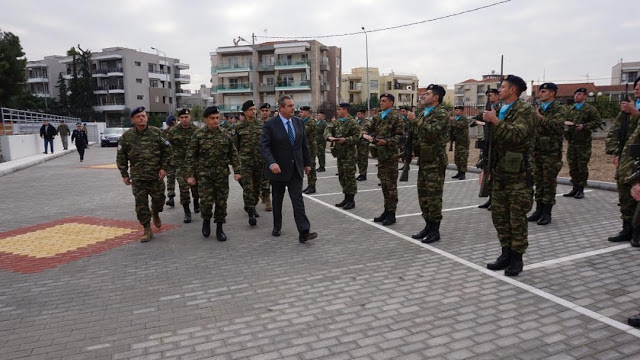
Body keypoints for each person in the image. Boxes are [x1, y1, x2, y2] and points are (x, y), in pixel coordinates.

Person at [483, 75, 536, 276]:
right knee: (500, 216)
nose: (499, 90)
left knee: (516, 218)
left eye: (503, 87)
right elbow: (489, 144)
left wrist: (496, 121)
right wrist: (484, 169)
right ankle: (505, 253)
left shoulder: (526, 111)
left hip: (518, 175)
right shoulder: (499, 110)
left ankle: (517, 258)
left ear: (513, 90)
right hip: (498, 173)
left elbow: (517, 135)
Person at [259, 95, 317, 243]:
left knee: (298, 201)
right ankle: (277, 226)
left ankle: (304, 231)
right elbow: (264, 146)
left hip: (295, 169)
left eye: (293, 105)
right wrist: (272, 163)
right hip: (277, 171)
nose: (293, 108)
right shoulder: (270, 124)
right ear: (281, 108)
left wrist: (307, 162)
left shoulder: (298, 122)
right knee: (277, 201)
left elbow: (304, 145)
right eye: (290, 106)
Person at [116, 106, 171, 242]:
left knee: (159, 201)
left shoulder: (156, 133)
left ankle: (156, 212)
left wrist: (164, 168)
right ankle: (147, 229)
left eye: (144, 116)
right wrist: (124, 174)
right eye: (138, 116)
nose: (142, 118)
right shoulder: (127, 137)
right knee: (141, 205)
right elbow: (121, 157)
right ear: (133, 120)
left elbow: (167, 151)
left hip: (156, 176)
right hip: (138, 177)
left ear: (147, 117)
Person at [186, 106, 241, 241]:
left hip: (221, 175)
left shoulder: (225, 134)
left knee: (221, 203)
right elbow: (190, 156)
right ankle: (206, 221)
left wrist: (237, 171)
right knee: (206, 202)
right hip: (204, 176)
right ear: (206, 119)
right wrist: (190, 175)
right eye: (212, 118)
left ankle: (220, 228)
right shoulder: (198, 135)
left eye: (217, 118)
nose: (215, 121)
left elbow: (233, 154)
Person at [407, 85, 450, 242]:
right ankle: (427, 225)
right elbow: (418, 136)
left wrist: (415, 120)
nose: (423, 96)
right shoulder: (424, 113)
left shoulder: (441, 113)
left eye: (427, 94)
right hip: (424, 160)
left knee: (434, 197)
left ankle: (435, 229)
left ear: (436, 97)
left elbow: (432, 131)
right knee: (423, 196)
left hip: (435, 161)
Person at [526, 82, 567, 226]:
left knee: (548, 183)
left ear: (552, 93)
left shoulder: (559, 108)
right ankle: (538, 210)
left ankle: (546, 213)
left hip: (551, 153)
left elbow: (557, 125)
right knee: (539, 182)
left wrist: (540, 118)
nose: (540, 94)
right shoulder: (538, 108)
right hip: (537, 152)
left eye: (544, 91)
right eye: (540, 91)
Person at [607, 76, 640, 243]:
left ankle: (637, 232)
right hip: (627, 160)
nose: (637, 89)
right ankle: (627, 229)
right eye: (636, 86)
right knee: (625, 197)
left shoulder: (633, 110)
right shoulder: (626, 111)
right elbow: (614, 132)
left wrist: (635, 113)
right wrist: (617, 152)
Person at [362, 94, 404, 225]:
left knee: (391, 186)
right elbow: (366, 126)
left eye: (384, 101)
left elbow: (400, 137)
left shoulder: (396, 118)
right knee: (384, 185)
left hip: (391, 156)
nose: (381, 103)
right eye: (380, 101)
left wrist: (386, 142)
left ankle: (392, 213)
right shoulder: (378, 116)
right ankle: (386, 211)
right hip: (381, 156)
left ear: (391, 103)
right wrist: (364, 133)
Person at [563, 88, 602, 199]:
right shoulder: (572, 109)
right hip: (572, 142)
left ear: (585, 96)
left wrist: (584, 126)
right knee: (573, 166)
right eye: (575, 94)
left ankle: (581, 189)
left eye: (579, 94)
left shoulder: (590, 109)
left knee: (582, 167)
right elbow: (565, 121)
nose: (576, 96)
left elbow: (597, 122)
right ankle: (574, 187)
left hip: (583, 143)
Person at [235, 100, 265, 226]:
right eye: (250, 110)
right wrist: (236, 166)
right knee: (248, 188)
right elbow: (235, 147)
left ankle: (252, 205)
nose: (253, 111)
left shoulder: (262, 125)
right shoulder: (238, 127)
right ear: (245, 112)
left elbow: (265, 144)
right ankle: (251, 212)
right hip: (245, 162)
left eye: (254, 109)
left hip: (259, 162)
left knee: (256, 189)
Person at [166, 109, 200, 223]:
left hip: (195, 164)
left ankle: (196, 202)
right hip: (180, 165)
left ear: (190, 117)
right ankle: (187, 212)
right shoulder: (173, 131)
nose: (184, 119)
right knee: (184, 188)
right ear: (179, 119)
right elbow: (167, 148)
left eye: (186, 117)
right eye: (182, 117)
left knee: (196, 188)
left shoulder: (197, 131)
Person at [325, 102, 361, 210]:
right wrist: (329, 136)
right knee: (342, 177)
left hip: (349, 154)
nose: (338, 111)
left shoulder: (353, 122)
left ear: (345, 110)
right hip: (340, 154)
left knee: (349, 177)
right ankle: (346, 198)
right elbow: (328, 128)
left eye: (339, 109)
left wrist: (346, 140)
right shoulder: (338, 122)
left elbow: (357, 137)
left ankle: (351, 200)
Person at [471, 88, 501, 209]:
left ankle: (496, 200)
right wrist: (481, 122)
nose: (489, 97)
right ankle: (490, 198)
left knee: (495, 174)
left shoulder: (501, 109)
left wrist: (492, 120)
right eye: (488, 96)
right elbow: (472, 120)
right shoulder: (486, 110)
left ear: (498, 96)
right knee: (488, 172)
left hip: (496, 144)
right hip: (487, 144)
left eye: (492, 95)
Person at [300, 106, 319, 194]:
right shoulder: (304, 121)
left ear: (307, 112)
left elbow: (304, 131)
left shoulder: (311, 122)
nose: (300, 114)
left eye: (302, 112)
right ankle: (309, 185)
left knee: (311, 166)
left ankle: (312, 186)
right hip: (306, 147)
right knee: (307, 166)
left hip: (311, 147)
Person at [258, 103, 273, 211]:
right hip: (256, 156)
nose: (264, 112)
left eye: (266, 110)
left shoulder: (274, 123)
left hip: (268, 156)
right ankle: (259, 194)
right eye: (263, 110)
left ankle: (268, 200)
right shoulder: (255, 124)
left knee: (266, 179)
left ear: (270, 112)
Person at [451, 105, 470, 180]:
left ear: (462, 111)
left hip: (463, 142)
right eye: (455, 110)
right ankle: (459, 171)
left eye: (458, 110)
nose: (456, 111)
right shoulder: (456, 119)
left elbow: (460, 125)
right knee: (457, 157)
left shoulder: (464, 119)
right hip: (458, 142)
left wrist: (453, 120)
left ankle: (463, 173)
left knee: (463, 157)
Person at [163, 115, 178, 207]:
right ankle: (171, 197)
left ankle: (194, 199)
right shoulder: (164, 133)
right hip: (171, 160)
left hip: (180, 160)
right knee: (171, 179)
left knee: (172, 179)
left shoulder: (180, 131)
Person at [355, 109, 370, 181]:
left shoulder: (366, 123)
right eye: (357, 114)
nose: (358, 116)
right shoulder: (356, 122)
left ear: (364, 115)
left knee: (363, 159)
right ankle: (361, 173)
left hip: (364, 144)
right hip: (357, 143)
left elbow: (362, 131)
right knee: (358, 159)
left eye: (360, 114)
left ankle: (364, 174)